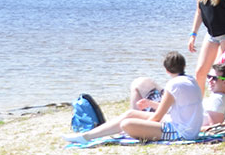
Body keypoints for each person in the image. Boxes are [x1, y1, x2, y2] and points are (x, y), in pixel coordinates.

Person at [64, 52, 203, 143]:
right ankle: (87, 136)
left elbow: (157, 117)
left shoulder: (173, 85)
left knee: (126, 124)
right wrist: (149, 106)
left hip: (181, 132)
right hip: (187, 126)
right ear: (184, 66)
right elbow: (174, 108)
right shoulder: (191, 80)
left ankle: (89, 136)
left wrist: (141, 125)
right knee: (130, 113)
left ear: (166, 70)